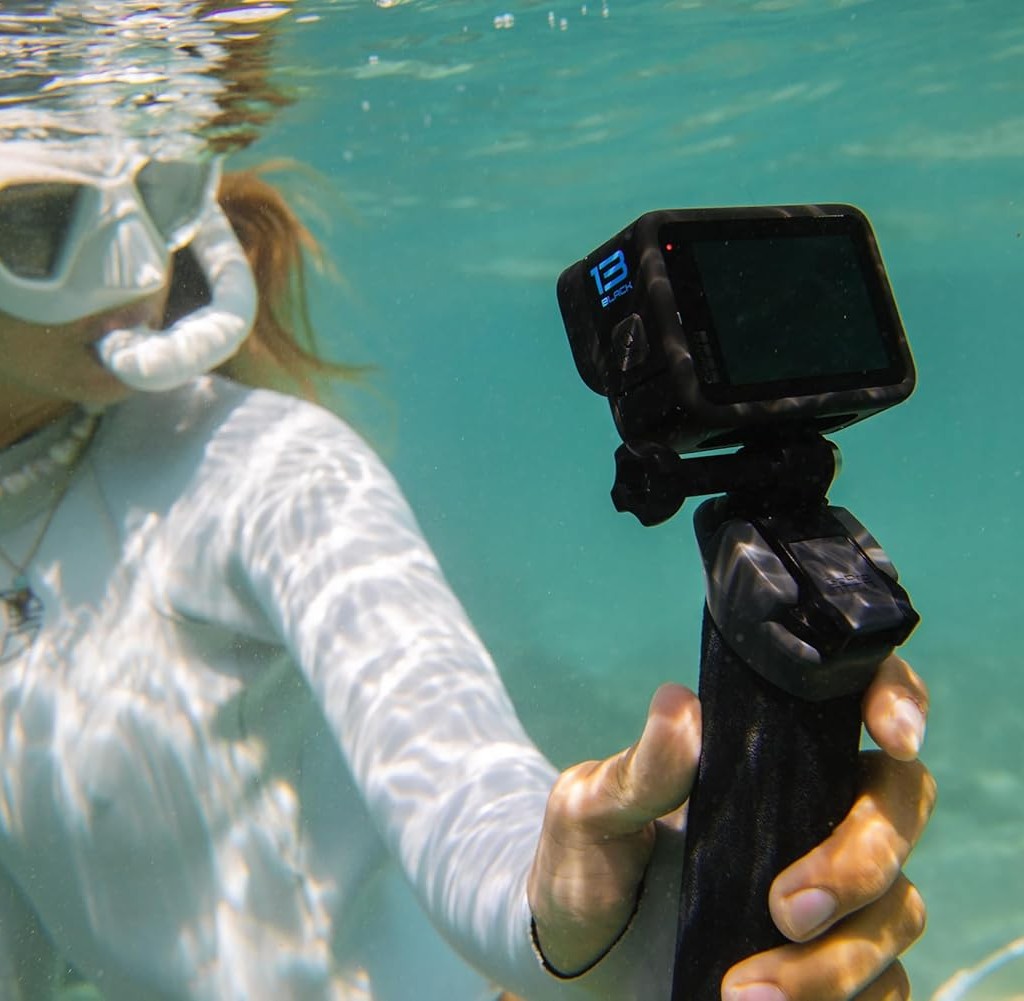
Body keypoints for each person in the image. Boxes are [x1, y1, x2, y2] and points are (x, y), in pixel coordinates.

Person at [0, 135, 935, 1001]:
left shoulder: (265, 470)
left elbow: (458, 790)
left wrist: (612, 916)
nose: (131, 266)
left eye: (155, 194)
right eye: (40, 223)